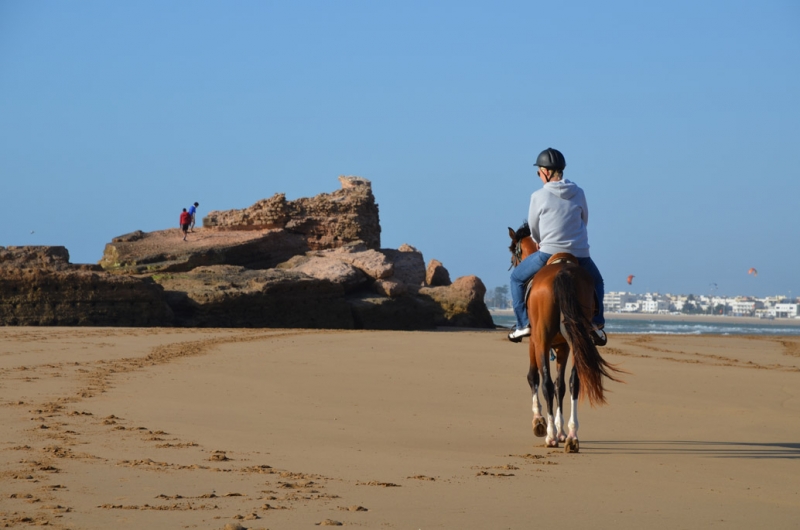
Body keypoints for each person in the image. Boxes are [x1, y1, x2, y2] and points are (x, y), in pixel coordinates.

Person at [508, 147, 606, 346]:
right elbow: (584, 219)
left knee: (516, 278)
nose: (538, 175)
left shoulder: (538, 196)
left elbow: (534, 228)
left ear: (546, 171)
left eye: (539, 171)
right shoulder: (579, 192)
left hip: (548, 252)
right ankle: (596, 324)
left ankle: (522, 324)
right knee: (597, 282)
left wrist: (540, 240)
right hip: (580, 254)